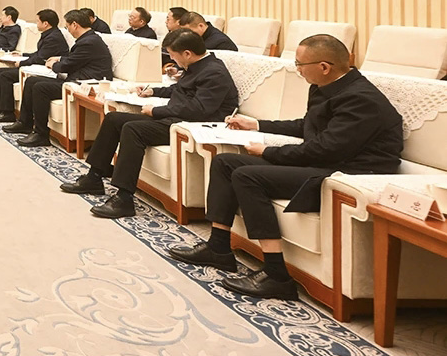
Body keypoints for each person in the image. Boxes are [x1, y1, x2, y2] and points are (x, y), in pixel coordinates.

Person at [167, 34, 403, 299]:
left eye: (300, 64)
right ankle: (218, 248)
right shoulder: (326, 87)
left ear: (324, 67)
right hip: (325, 162)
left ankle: (277, 275)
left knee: (247, 176)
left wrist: (269, 151)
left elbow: (327, 149)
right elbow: (308, 127)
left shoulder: (360, 99)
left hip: (346, 175)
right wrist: (257, 125)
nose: (297, 69)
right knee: (225, 162)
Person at [59, 29, 239, 218]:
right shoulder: (197, 66)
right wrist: (152, 91)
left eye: (172, 55)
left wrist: (156, 110)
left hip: (191, 125)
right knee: (114, 119)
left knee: (133, 129)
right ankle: (94, 177)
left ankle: (124, 198)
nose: (171, 59)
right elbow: (180, 90)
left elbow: (199, 109)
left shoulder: (214, 73)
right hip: (176, 118)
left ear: (187, 53)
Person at [10, 9, 113, 147]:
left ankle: (41, 134)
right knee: (31, 81)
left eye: (68, 26)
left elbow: (66, 66)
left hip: (84, 83)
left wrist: (53, 64)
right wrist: (59, 58)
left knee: (40, 88)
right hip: (76, 79)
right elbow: (75, 59)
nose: (67, 30)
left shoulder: (88, 42)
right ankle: (25, 123)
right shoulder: (88, 39)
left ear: (75, 25)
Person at [0, 9, 70, 122]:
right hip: (40, 65)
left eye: (38, 21)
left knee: (5, 75)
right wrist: (22, 55)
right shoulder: (49, 34)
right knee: (0, 72)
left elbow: (40, 58)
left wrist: (21, 62)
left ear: (45, 23)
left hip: (46, 69)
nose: (36, 24)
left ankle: (8, 113)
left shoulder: (53, 37)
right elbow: (39, 54)